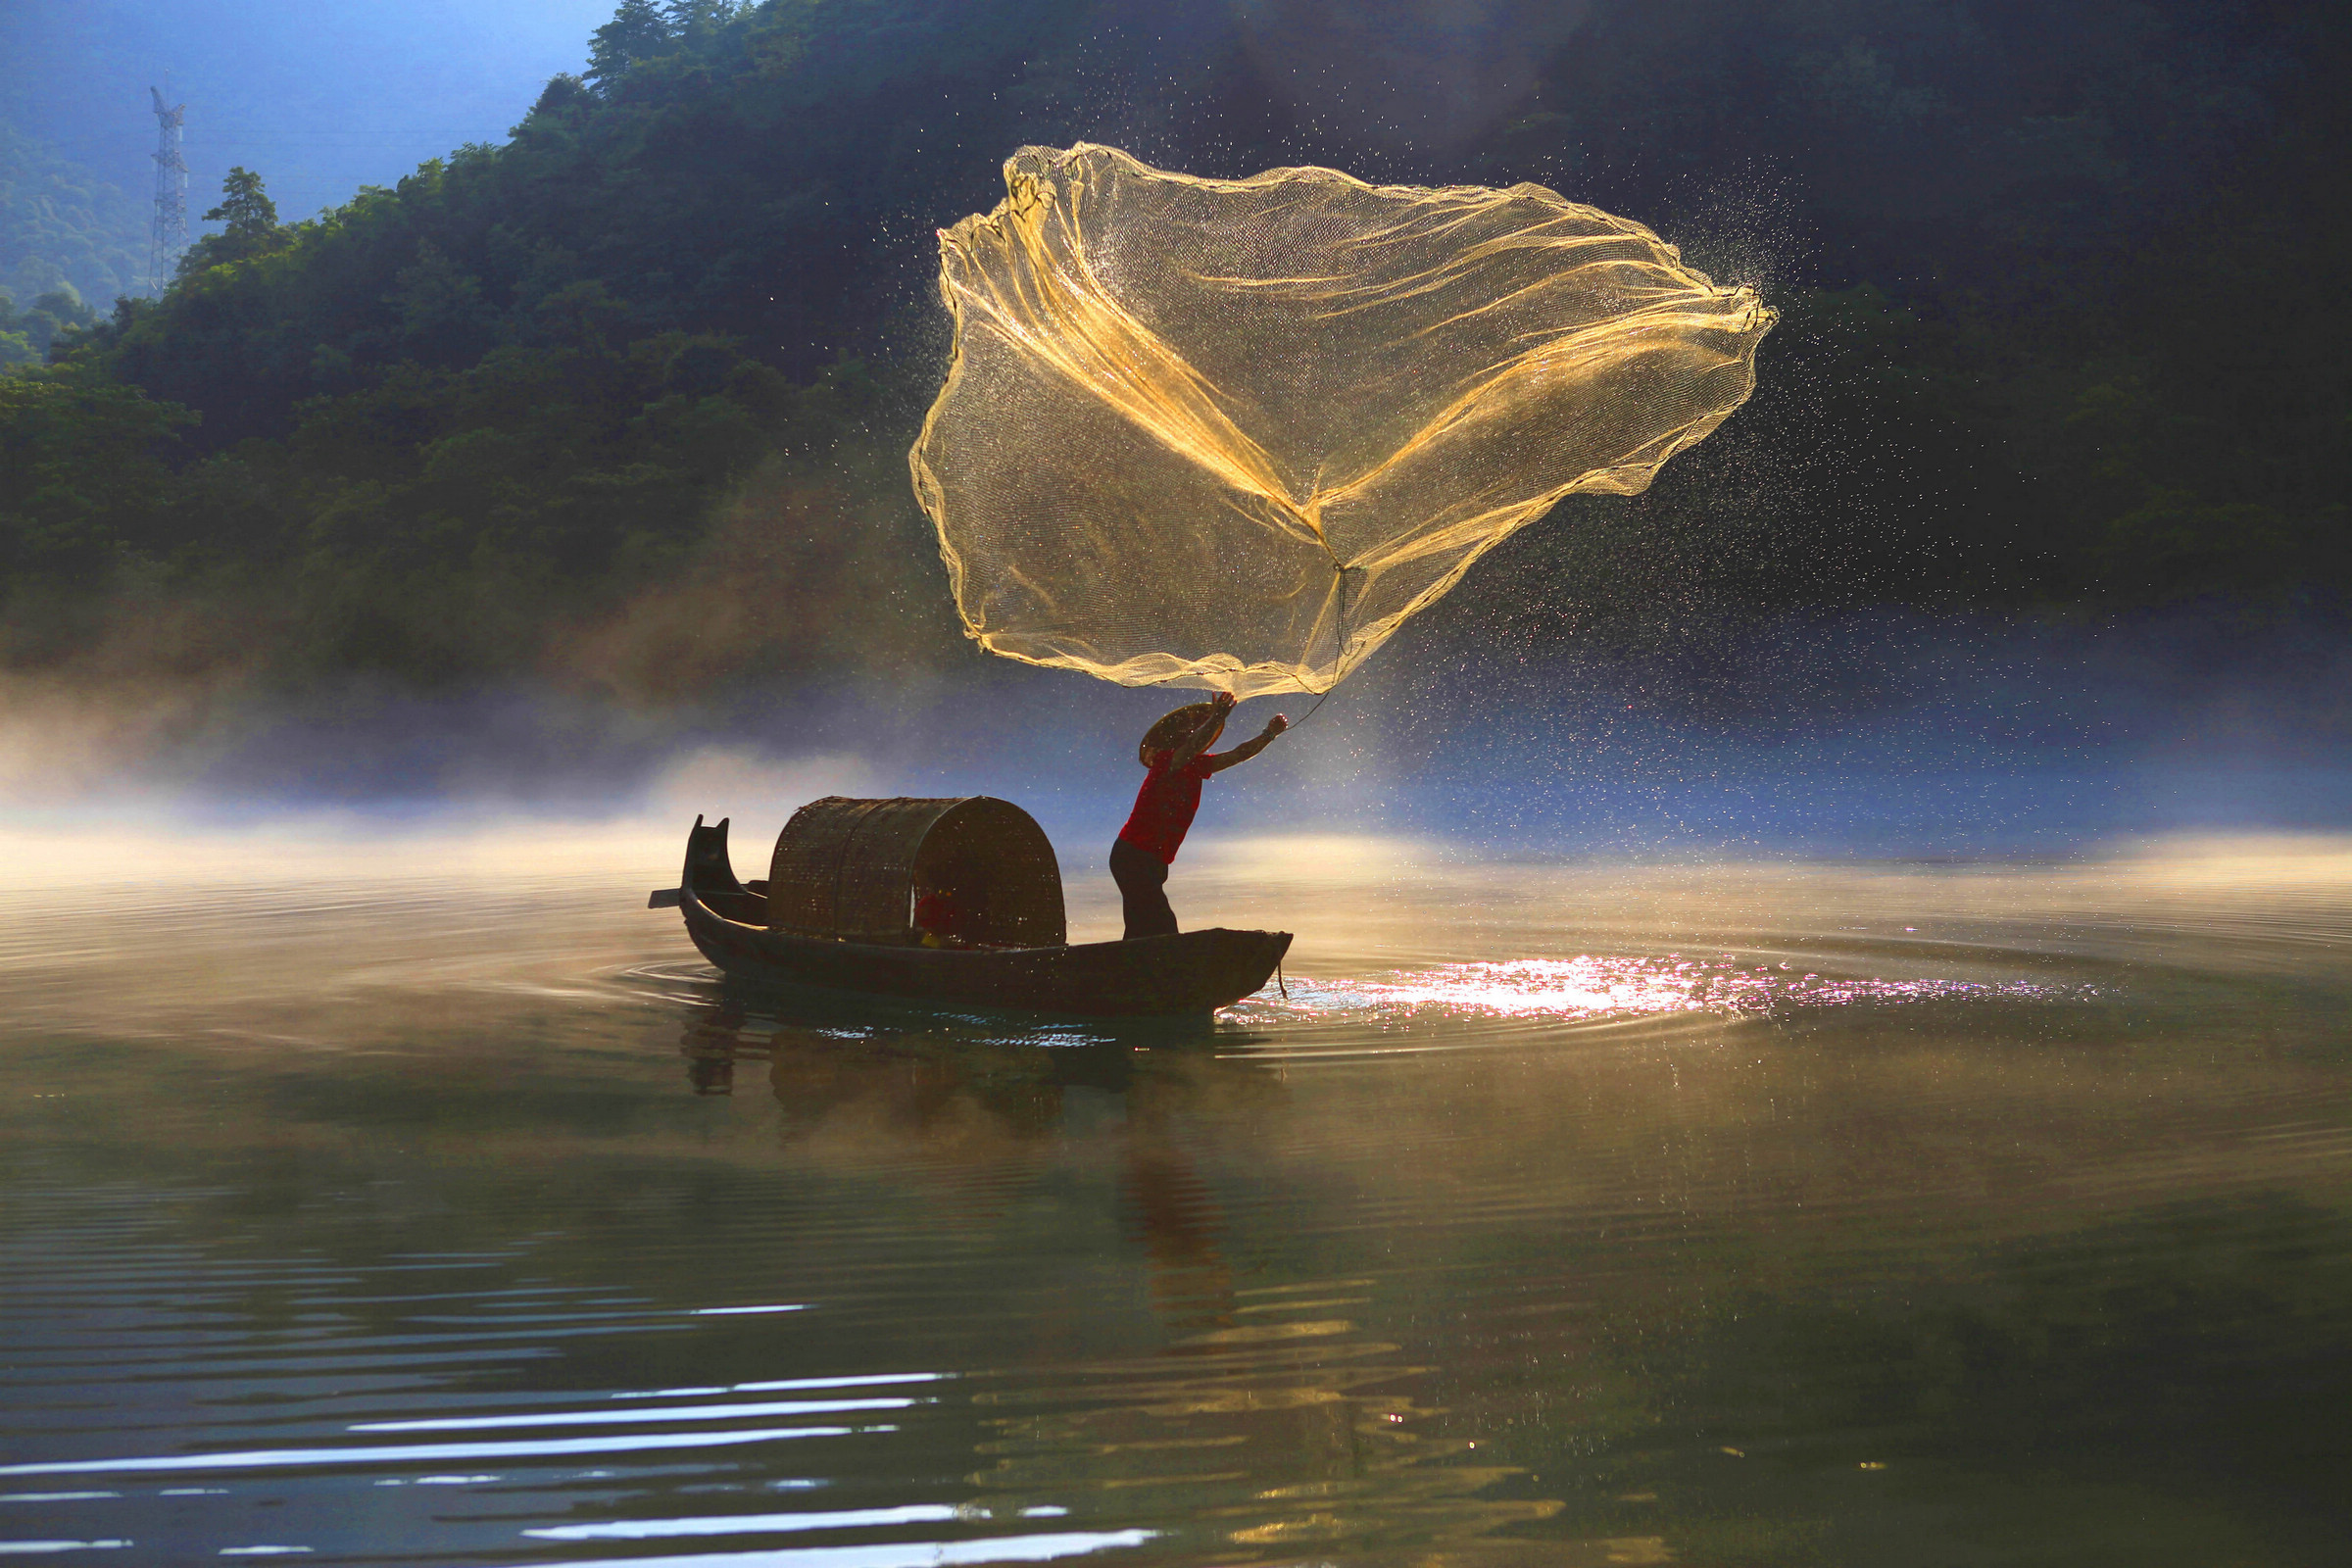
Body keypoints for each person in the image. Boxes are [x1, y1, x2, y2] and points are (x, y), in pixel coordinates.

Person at [1110, 691, 1287, 940]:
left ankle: (1130, 971)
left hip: (1151, 860)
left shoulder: (1196, 765)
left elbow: (1237, 754)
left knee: (1143, 924)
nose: (1192, 740)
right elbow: (1192, 746)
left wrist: (1268, 735)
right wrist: (1216, 717)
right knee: (1161, 924)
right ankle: (1145, 969)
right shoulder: (1167, 762)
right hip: (1133, 856)